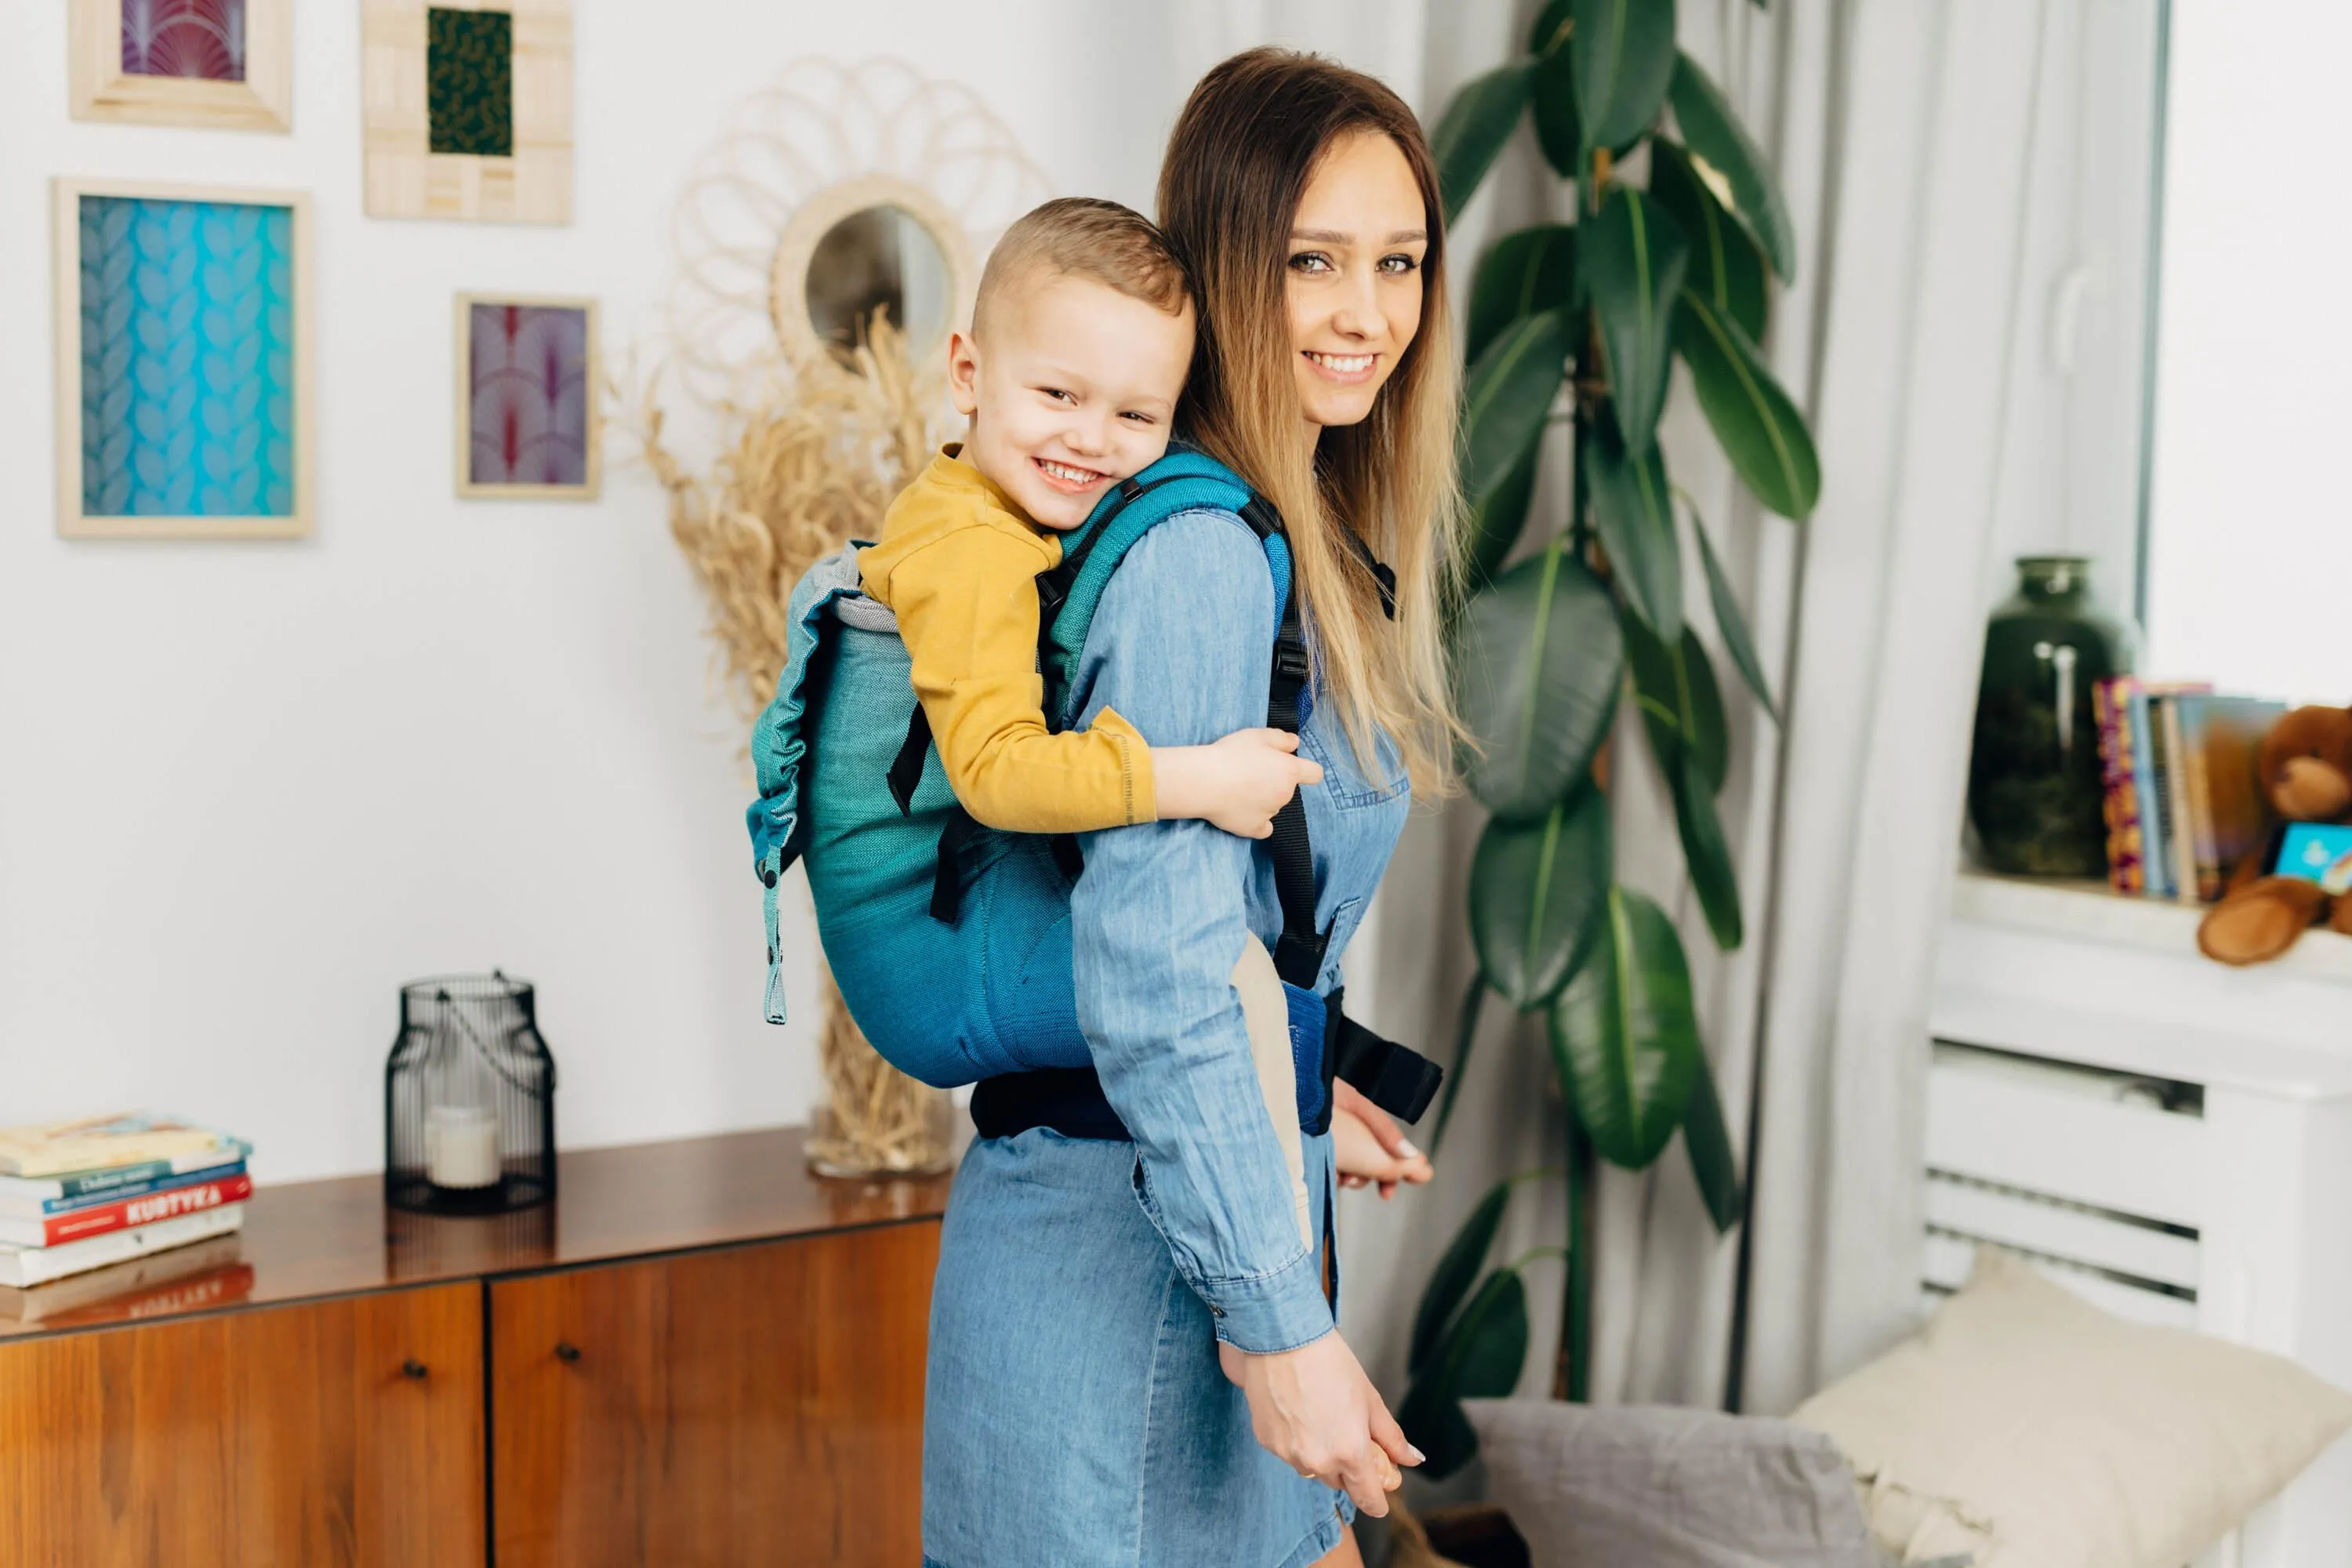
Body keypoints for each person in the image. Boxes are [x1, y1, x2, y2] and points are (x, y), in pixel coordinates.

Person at [920, 47, 1460, 1568]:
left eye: (1400, 262)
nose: (1368, 313)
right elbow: (1156, 968)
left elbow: (1225, 932)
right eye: (1313, 262)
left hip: (1211, 1251)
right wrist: (1284, 1325)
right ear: (1228, 267)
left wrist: (1298, 1078)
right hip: (1128, 1302)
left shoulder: (1304, 541)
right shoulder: (1205, 556)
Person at [858, 195, 1405, 1248]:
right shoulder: (972, 556)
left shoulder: (1006, 508)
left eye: (1136, 417)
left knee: (1214, 972)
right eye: (1059, 393)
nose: (1092, 442)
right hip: (939, 965)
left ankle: (1314, 1111)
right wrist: (1191, 780)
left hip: (973, 955)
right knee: (1200, 967)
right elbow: (998, 775)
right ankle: (1274, 1238)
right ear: (967, 372)